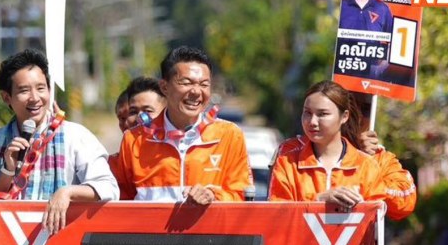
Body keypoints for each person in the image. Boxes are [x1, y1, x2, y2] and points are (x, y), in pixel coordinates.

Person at [0, 49, 119, 234]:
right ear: (6, 97)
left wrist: (67, 193)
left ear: (50, 90)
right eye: (24, 90)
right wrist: (8, 171)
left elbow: (109, 188)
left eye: (40, 88)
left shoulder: (75, 135)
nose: (35, 98)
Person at [116, 46, 252, 203]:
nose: (196, 91)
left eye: (204, 84)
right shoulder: (133, 140)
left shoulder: (229, 135)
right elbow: (119, 201)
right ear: (164, 87)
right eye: (186, 83)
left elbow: (243, 196)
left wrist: (213, 196)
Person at [268, 80, 389, 212]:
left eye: (322, 114)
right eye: (307, 113)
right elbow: (276, 217)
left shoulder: (367, 166)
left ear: (344, 116)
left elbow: (376, 221)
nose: (312, 122)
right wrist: (318, 200)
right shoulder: (287, 163)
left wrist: (361, 209)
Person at [355, 92, 417, 220]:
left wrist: (367, 164)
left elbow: (405, 203)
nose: (358, 116)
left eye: (365, 109)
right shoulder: (307, 150)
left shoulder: (380, 158)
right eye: (350, 107)